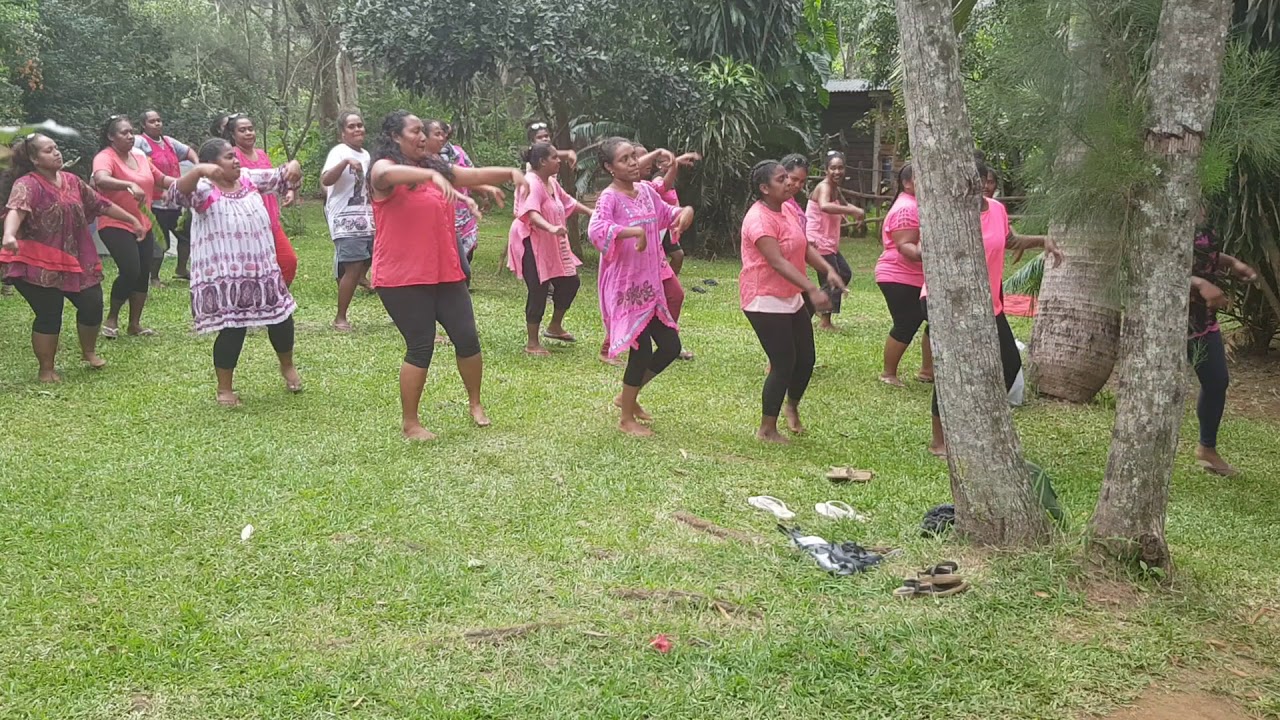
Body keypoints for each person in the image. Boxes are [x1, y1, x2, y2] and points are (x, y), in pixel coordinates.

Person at [368, 110, 526, 441]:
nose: (422, 136)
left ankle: (475, 404)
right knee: (420, 345)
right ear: (396, 137)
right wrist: (428, 178)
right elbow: (385, 172)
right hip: (403, 277)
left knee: (467, 338)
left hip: (445, 271)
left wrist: (511, 173)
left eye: (423, 131)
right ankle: (411, 423)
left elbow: (474, 174)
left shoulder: (433, 167)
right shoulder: (383, 169)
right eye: (414, 132)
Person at [923, 160, 1063, 456]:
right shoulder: (950, 211)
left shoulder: (996, 209)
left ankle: (978, 421)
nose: (980, 185)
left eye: (983, 180)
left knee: (1009, 364)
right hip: (949, 301)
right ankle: (938, 440)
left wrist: (1042, 241)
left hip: (989, 303)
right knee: (954, 368)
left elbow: (1009, 239)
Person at [166, 139, 303, 405]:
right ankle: (224, 389)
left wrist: (294, 166)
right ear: (212, 165)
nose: (237, 161)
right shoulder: (203, 190)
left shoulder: (249, 179)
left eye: (236, 156)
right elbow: (175, 194)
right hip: (225, 276)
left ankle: (287, 366)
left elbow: (282, 173)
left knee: (282, 321)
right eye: (229, 157)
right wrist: (197, 171)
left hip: (262, 269)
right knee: (232, 330)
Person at [1, 133, 141, 382]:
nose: (56, 153)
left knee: (92, 302)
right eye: (48, 150)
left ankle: (88, 352)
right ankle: (46, 369)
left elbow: (100, 204)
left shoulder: (71, 180)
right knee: (50, 311)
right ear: (34, 159)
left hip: (74, 257)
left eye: (56, 148)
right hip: (36, 258)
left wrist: (131, 219)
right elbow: (16, 210)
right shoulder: (26, 184)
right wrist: (10, 234)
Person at [587, 137, 694, 437]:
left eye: (633, 157)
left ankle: (628, 397)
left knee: (671, 346)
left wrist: (684, 212)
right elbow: (596, 231)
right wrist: (630, 231)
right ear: (609, 167)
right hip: (625, 287)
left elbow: (668, 213)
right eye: (624, 159)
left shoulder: (646, 191)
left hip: (650, 285)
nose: (633, 163)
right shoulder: (608, 198)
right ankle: (625, 418)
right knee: (642, 349)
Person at [740, 160, 845, 443]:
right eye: (780, 179)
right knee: (783, 362)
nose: (789, 182)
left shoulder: (787, 208)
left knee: (806, 359)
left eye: (788, 176)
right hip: (764, 298)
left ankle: (792, 407)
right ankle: (767, 429)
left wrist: (828, 269)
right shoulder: (758, 220)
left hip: (790, 295)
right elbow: (776, 261)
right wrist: (812, 288)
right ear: (764, 189)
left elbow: (803, 246)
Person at [507, 142, 594, 356]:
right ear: (542, 161)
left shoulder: (552, 183)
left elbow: (569, 203)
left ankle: (555, 327)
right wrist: (551, 227)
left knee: (570, 281)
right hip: (531, 241)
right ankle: (532, 343)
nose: (559, 160)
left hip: (550, 241)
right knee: (539, 289)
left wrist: (592, 213)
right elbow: (531, 213)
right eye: (554, 157)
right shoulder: (531, 183)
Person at [1187, 219, 1258, 476]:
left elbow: (1202, 252)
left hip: (1202, 318)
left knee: (1216, 381)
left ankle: (1207, 448)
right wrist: (1197, 283)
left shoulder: (1203, 199)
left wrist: (1231, 263)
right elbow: (1154, 265)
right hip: (1169, 319)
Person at [92, 115, 173, 338]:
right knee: (130, 270)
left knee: (143, 272)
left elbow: (162, 179)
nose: (130, 136)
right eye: (123, 133)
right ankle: (112, 318)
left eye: (131, 132)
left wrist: (192, 182)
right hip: (115, 221)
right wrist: (129, 184)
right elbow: (101, 179)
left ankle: (134, 324)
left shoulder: (140, 156)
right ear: (111, 137)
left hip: (144, 223)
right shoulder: (105, 157)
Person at [876, 163, 935, 386]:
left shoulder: (915, 204)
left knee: (934, 320)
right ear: (907, 182)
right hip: (898, 276)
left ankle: (927, 371)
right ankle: (888, 373)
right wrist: (934, 251)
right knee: (906, 323)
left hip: (913, 277)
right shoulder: (907, 208)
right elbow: (905, 247)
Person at [223, 113, 299, 286]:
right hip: (248, 223)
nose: (248, 133)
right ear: (233, 135)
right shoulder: (233, 155)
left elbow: (274, 178)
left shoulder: (261, 154)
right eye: (242, 130)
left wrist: (289, 190)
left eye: (250, 129)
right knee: (254, 268)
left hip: (271, 219)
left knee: (288, 262)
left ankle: (278, 296)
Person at [321, 111, 374, 331]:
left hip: (365, 214)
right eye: (351, 126)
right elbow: (325, 179)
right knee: (352, 267)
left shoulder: (367, 155)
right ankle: (340, 318)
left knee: (371, 257)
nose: (357, 130)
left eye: (360, 125)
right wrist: (344, 162)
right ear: (343, 133)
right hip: (344, 218)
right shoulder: (339, 152)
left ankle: (361, 276)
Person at [135, 110, 197, 284]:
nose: (157, 124)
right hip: (154, 202)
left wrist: (198, 164)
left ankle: (181, 269)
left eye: (159, 120)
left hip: (174, 201)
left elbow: (188, 151)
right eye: (152, 121)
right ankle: (153, 277)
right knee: (160, 243)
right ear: (143, 125)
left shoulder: (168, 142)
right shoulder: (140, 143)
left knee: (185, 236)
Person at [805, 151, 863, 331]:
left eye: (840, 168)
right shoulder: (824, 187)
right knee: (833, 277)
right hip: (818, 241)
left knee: (844, 274)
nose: (837, 171)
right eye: (833, 168)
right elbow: (824, 205)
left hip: (829, 242)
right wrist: (853, 211)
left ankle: (815, 306)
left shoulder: (835, 188)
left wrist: (854, 213)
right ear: (826, 170)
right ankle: (825, 321)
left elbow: (844, 205)